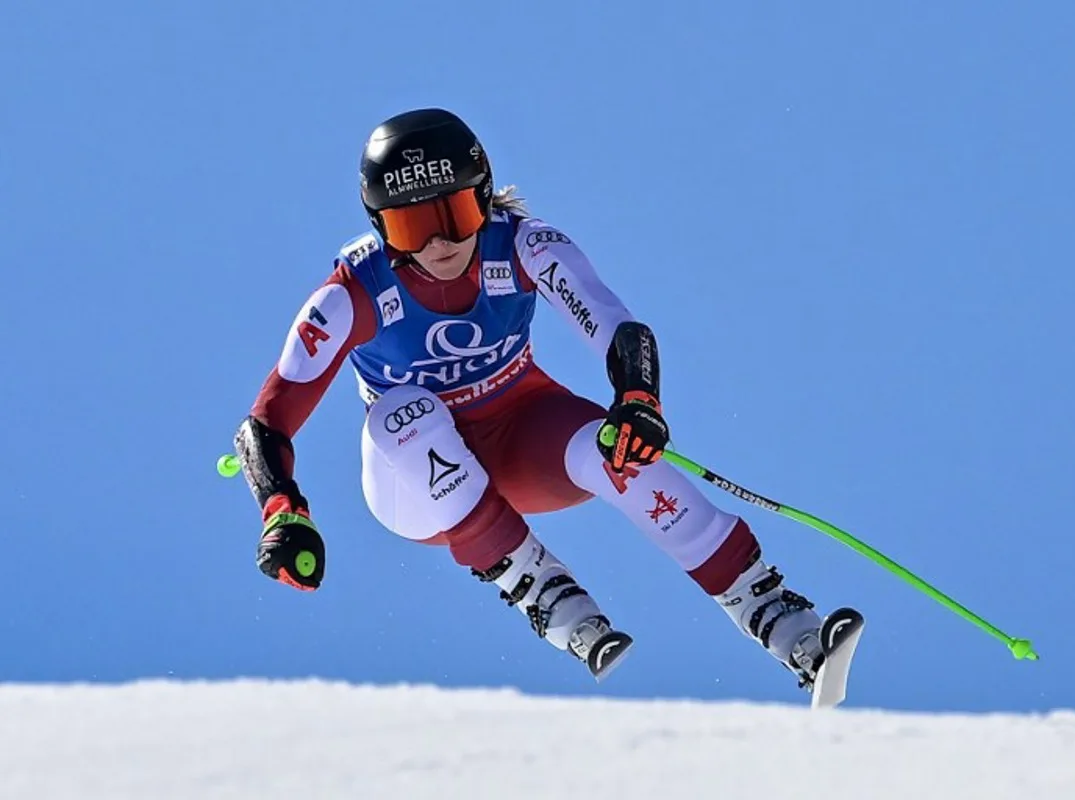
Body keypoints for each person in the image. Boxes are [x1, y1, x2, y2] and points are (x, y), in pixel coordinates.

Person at [233, 107, 835, 687]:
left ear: (485, 195)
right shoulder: (353, 291)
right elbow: (266, 422)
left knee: (616, 450)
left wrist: (637, 400)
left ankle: (783, 621)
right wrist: (281, 509)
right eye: (412, 227)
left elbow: (617, 328)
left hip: (524, 435)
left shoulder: (523, 245)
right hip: (416, 480)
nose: (440, 243)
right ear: (380, 226)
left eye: (457, 214)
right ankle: (541, 589)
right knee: (401, 412)